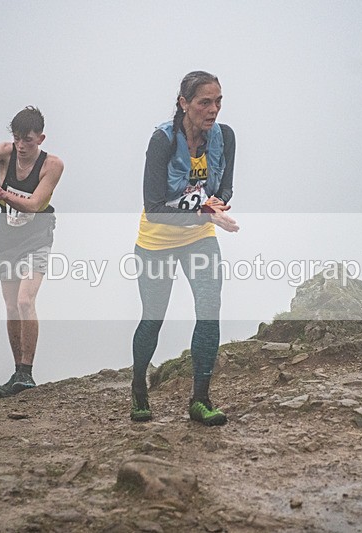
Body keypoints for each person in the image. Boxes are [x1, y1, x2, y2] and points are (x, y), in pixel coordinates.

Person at [131, 71, 239, 426]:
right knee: (153, 317)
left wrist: (213, 208)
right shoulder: (162, 140)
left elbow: (224, 191)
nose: (213, 109)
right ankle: (139, 391)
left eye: (218, 101)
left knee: (209, 309)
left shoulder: (225, 137)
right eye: (204, 102)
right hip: (157, 239)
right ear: (184, 103)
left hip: (199, 237)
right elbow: (155, 207)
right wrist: (205, 213)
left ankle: (201, 400)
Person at [0, 106, 64, 397]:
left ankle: (27, 373)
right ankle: (16, 371)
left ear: (40, 139)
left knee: (25, 300)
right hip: (6, 235)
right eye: (17, 138)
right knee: (9, 306)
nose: (21, 145)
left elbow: (33, 204)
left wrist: (3, 193)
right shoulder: (5, 152)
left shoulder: (52, 165)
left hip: (37, 234)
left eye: (28, 140)